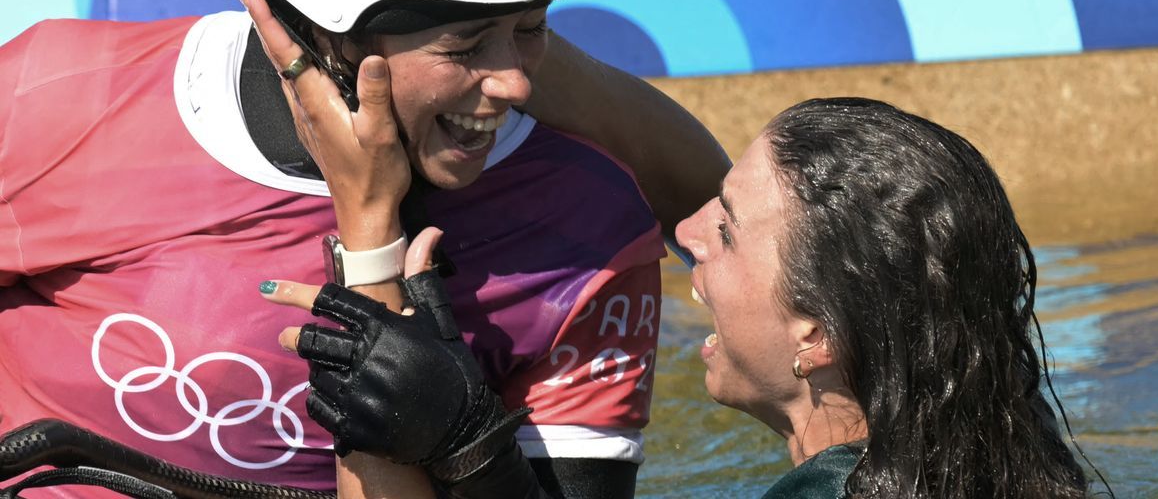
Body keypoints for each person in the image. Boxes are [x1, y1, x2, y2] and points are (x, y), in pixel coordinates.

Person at [0, 0, 727, 497]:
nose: (513, 82)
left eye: (534, 27)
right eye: (468, 44)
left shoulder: (584, 233)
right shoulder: (57, 99)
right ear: (329, 30)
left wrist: (462, 434)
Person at [262, 97, 1106, 498]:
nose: (688, 227)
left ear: (816, 336)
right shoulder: (1005, 456)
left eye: (728, 228)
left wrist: (460, 436)